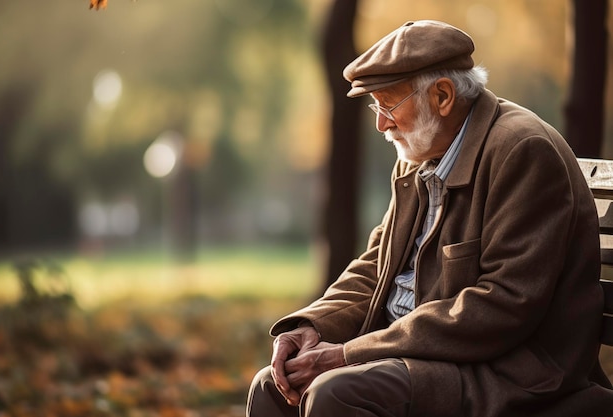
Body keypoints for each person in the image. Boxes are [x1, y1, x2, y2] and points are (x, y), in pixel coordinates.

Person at [246, 20, 613, 417]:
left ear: (442, 96)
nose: (381, 123)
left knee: (338, 392)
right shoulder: (418, 157)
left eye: (388, 105)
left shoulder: (522, 150)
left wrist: (350, 354)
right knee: (271, 384)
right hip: (417, 353)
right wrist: (313, 326)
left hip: (508, 369)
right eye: (377, 107)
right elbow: (376, 266)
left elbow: (504, 306)